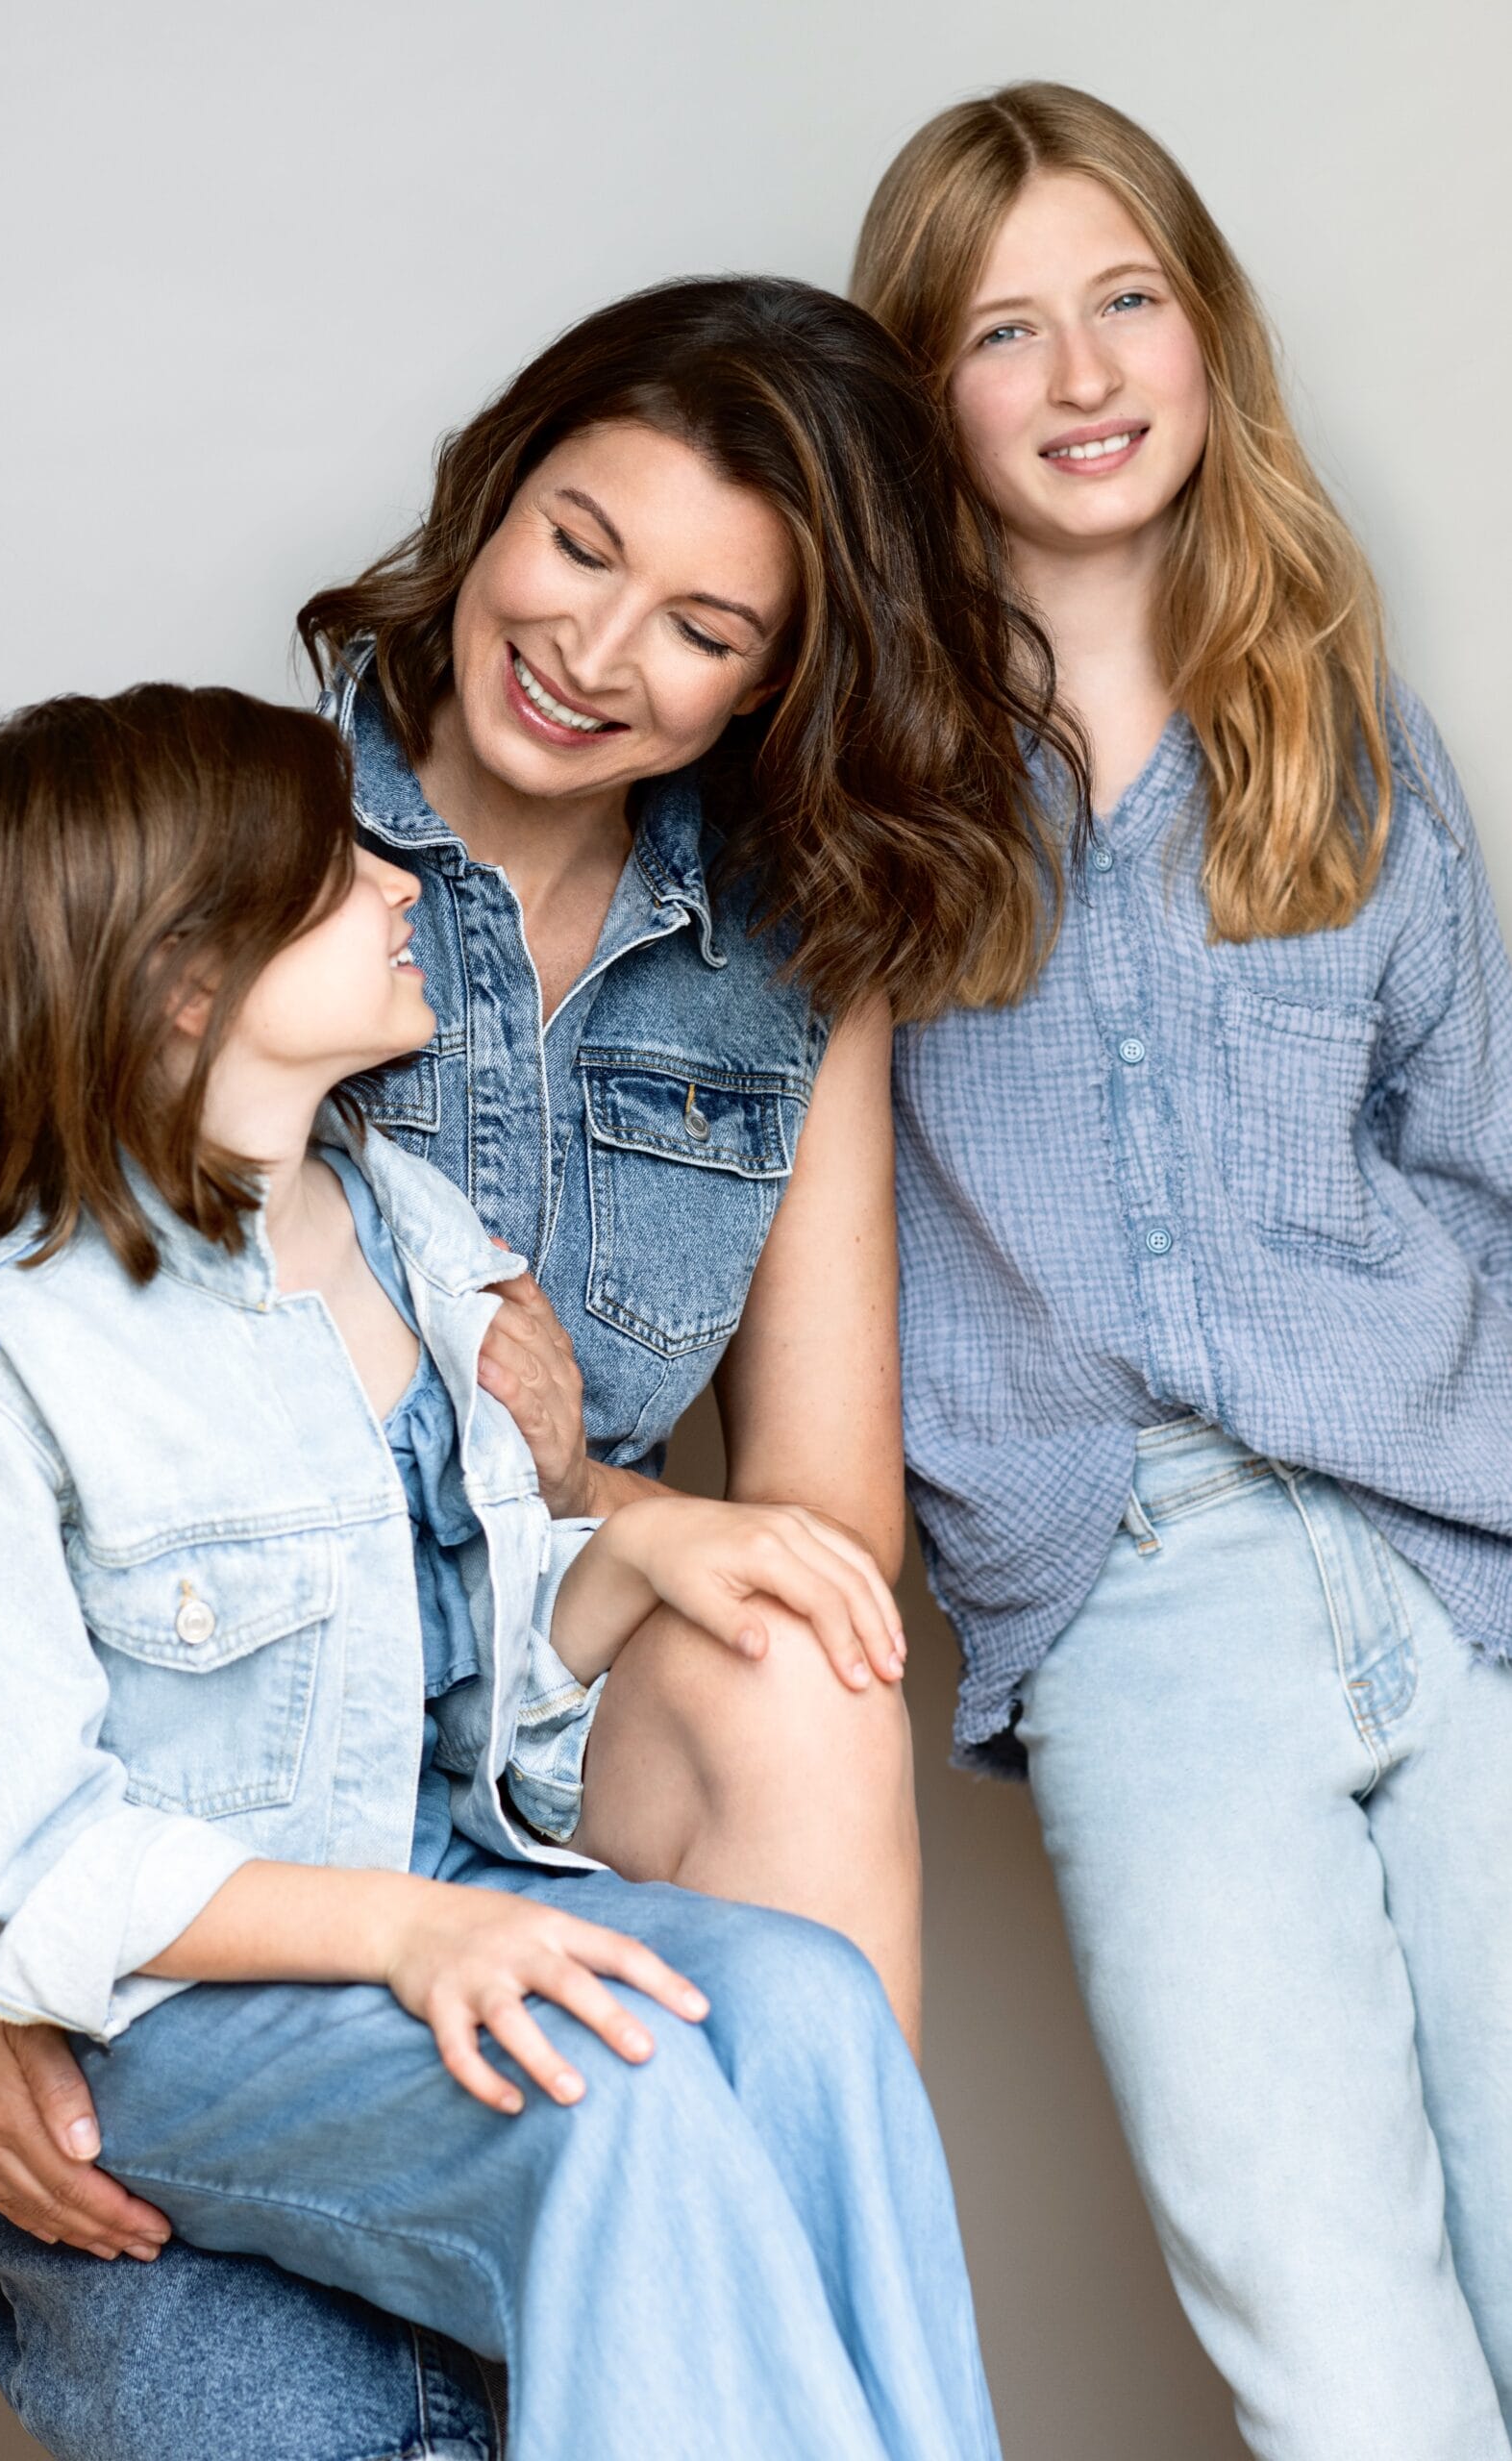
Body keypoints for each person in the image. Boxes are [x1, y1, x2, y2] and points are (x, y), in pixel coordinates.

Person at [0, 278, 1078, 2457]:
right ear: (493, 494)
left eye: (704, 625)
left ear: (776, 678)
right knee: (563, 2149)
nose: (599, 650)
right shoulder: (209, 832)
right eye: (580, 544)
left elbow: (661, 1560)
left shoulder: (437, 1200)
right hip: (184, 1916)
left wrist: (595, 1500)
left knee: (795, 1933)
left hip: (467, 1778)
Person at [855, 80, 1512, 2461]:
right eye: (1001, 329)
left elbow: (1482, 1167)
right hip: (1140, 1604)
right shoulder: (869, 793)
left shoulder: (1345, 730)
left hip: (1463, 1568)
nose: (1084, 372)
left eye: (1126, 298)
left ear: (1207, 330)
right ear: (924, 399)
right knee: (1352, 2374)